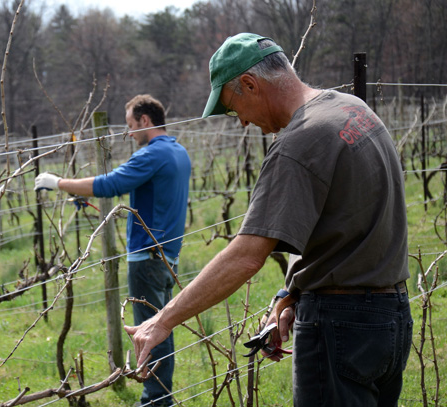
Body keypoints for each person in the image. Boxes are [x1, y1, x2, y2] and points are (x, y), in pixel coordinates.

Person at [124, 33, 413, 407]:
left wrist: (163, 320)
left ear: (249, 84)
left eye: (233, 107)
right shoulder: (351, 108)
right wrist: (291, 294)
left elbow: (247, 254)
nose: (242, 122)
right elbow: (345, 221)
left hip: (340, 328)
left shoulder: (298, 142)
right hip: (391, 320)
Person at [35, 94, 191, 407]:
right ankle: (161, 398)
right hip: (167, 256)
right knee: (161, 327)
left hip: (147, 257)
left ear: (145, 121)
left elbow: (111, 184)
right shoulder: (179, 152)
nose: (129, 133)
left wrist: (59, 183)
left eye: (131, 126)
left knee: (150, 330)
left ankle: (155, 401)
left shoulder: (152, 154)